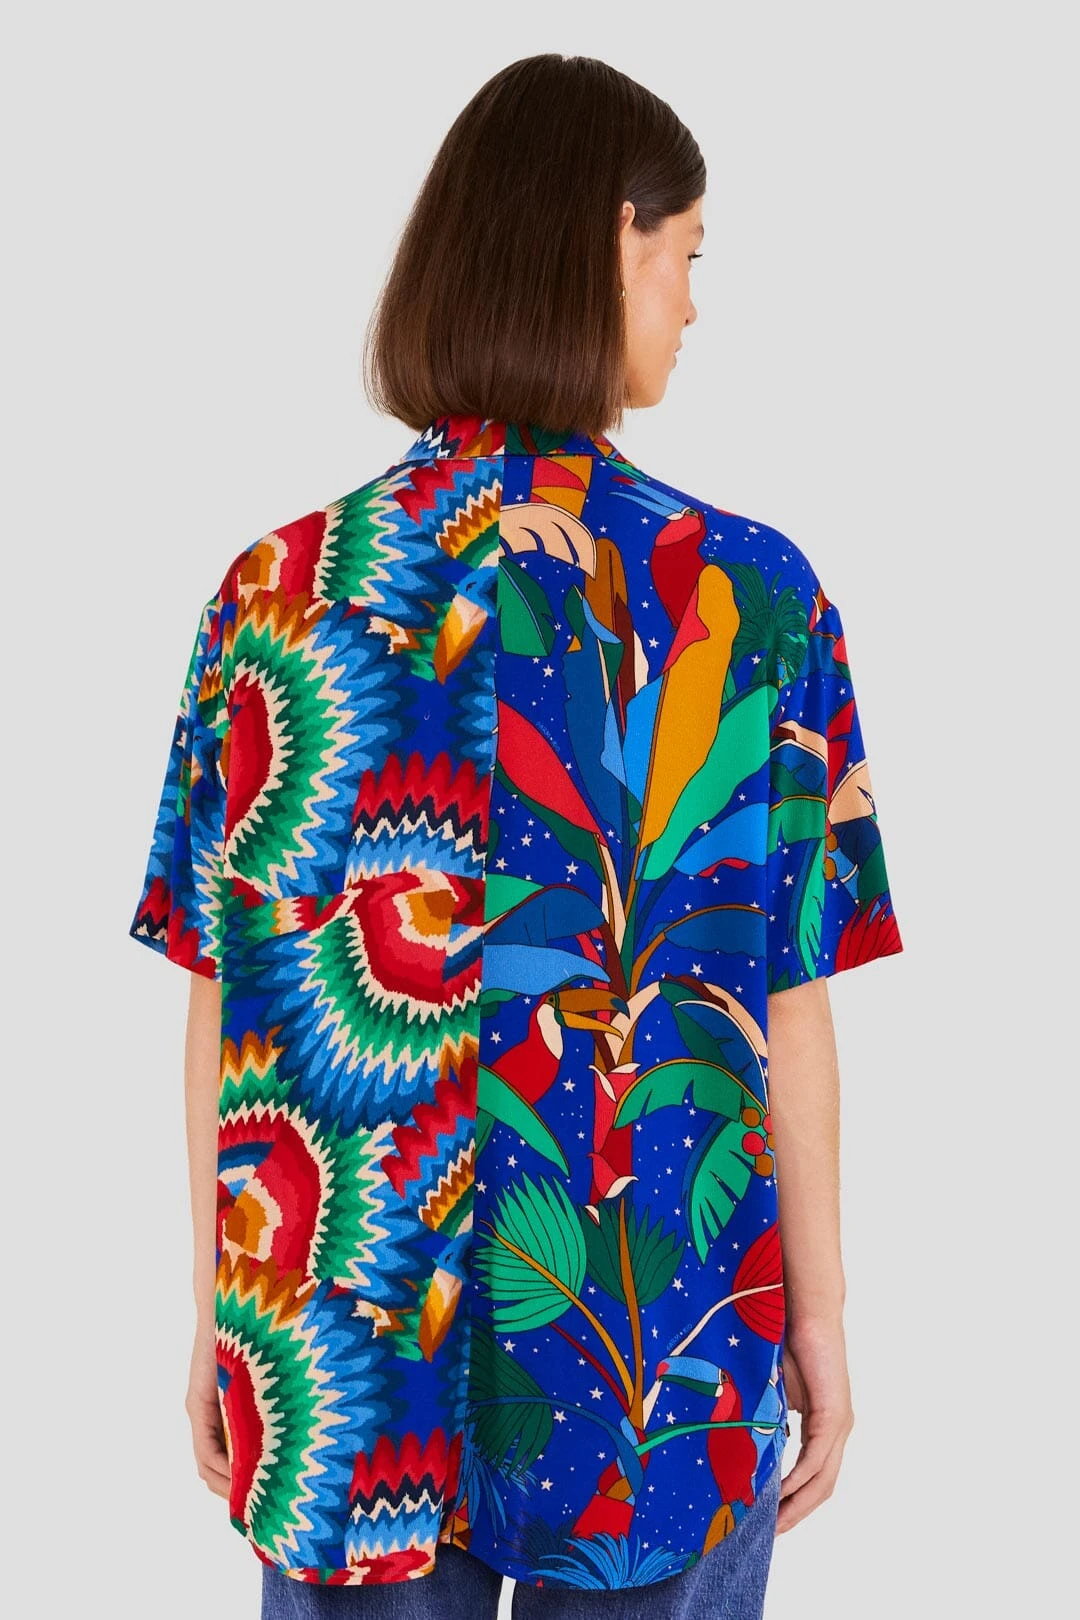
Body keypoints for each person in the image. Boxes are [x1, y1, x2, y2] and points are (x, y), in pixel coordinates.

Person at [129, 53, 904, 1618]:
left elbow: (224, 992)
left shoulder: (275, 594)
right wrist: (821, 1318)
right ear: (616, 236)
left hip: (342, 1349)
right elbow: (789, 991)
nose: (694, 305)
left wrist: (217, 1304)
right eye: (687, 255)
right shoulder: (754, 599)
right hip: (659, 1353)